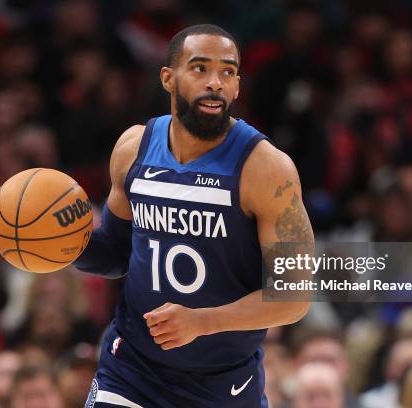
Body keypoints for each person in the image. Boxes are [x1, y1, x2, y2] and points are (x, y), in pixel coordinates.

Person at [72, 24, 313, 407]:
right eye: (200, 68)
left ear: (237, 87)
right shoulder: (134, 147)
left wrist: (204, 321)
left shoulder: (266, 169)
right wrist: (63, 245)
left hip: (223, 384)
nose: (216, 82)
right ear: (168, 78)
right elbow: (115, 255)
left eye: (228, 71)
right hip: (131, 370)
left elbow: (294, 297)